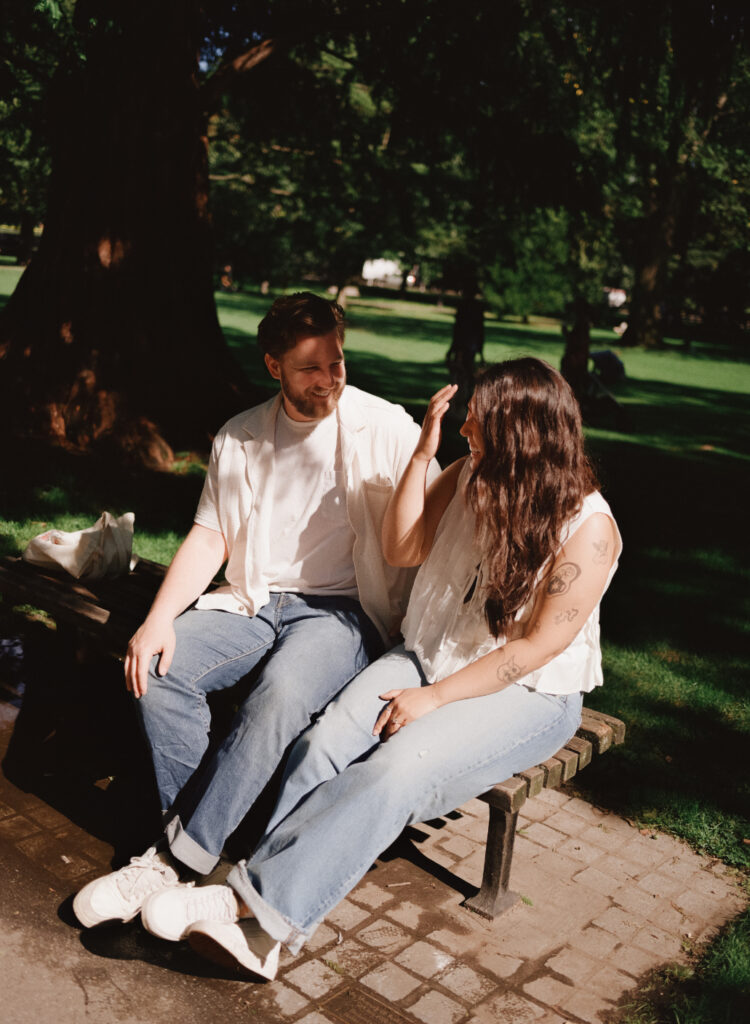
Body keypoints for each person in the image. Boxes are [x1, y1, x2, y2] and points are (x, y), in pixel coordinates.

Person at [136, 357, 622, 980]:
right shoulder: (472, 469)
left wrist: (435, 699)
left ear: (521, 434)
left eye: (479, 418)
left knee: (395, 770)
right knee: (321, 745)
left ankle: (252, 909)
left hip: (526, 693)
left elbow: (533, 651)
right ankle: (263, 907)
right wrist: (423, 455)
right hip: (428, 656)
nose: (467, 424)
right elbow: (402, 549)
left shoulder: (590, 529)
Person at [73, 291, 437, 930]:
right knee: (160, 671)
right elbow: (209, 536)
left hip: (343, 613)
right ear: (274, 367)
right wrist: (158, 620)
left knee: (281, 693)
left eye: (336, 363)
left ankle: (169, 863)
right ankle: (195, 842)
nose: (329, 381)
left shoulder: (384, 426)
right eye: (310, 369)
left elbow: (435, 513)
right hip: (255, 597)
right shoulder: (239, 436)